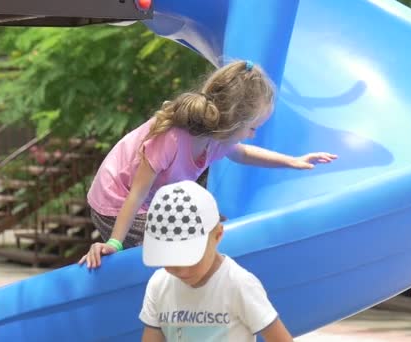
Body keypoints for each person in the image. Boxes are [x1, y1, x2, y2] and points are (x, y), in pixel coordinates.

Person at [79, 60, 337, 268]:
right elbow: (136, 194)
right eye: (252, 127)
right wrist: (114, 243)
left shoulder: (217, 138)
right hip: (116, 203)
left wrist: (293, 161)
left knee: (216, 229)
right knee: (183, 239)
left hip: (152, 204)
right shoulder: (172, 137)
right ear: (233, 121)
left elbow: (245, 154)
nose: (252, 134)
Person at [139, 180, 293, 342]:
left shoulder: (238, 284)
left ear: (218, 235)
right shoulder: (159, 284)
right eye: (169, 259)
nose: (182, 270)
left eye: (191, 258)